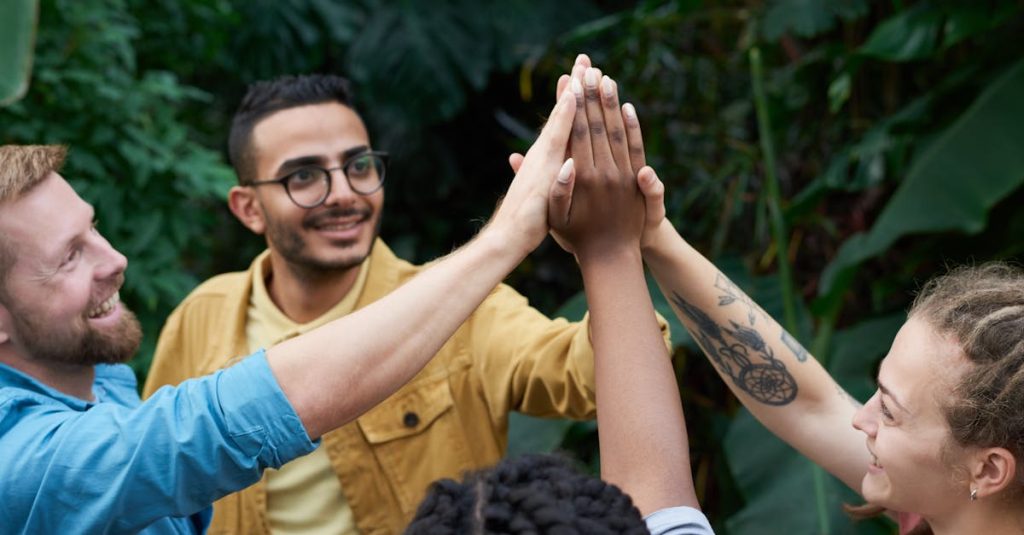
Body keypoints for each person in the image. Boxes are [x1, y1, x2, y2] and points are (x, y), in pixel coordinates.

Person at [0, 88, 581, 534]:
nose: (117, 260)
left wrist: (621, 245)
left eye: (94, 228)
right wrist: (505, 237)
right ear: (247, 207)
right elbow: (203, 433)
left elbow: (585, 371)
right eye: (69, 256)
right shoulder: (21, 459)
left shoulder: (106, 384)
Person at [142, 72, 669, 534]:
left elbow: (588, 374)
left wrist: (605, 243)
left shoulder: (465, 306)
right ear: (249, 208)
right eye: (303, 176)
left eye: (359, 166)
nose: (343, 193)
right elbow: (154, 486)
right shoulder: (200, 318)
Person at [407, 64, 713, 535]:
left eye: (359, 164)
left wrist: (519, 235)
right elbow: (656, 495)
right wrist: (611, 245)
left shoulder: (475, 317)